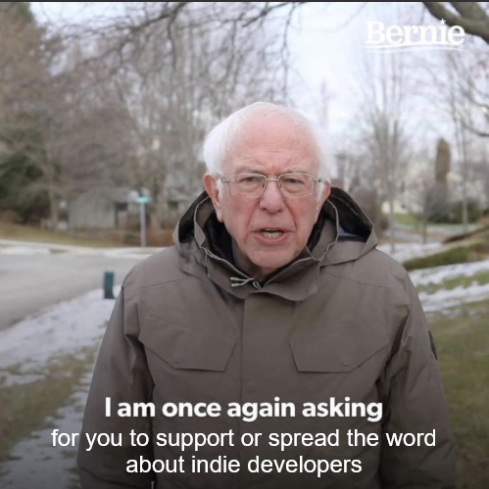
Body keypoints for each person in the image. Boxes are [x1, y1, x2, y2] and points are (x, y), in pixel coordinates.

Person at [77, 102, 456, 488]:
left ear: (321, 195)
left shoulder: (385, 291)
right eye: (250, 179)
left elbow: (421, 463)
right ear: (216, 194)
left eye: (293, 181)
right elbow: (109, 462)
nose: (272, 202)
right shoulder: (148, 291)